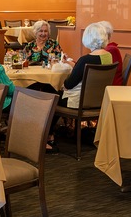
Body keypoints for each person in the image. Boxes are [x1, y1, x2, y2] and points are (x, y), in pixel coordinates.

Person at [47, 23, 113, 153]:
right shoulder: (108, 56)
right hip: (98, 100)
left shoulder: (85, 60)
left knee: (51, 97)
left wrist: (63, 85)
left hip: (79, 102)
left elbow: (69, 84)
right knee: (57, 96)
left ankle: (48, 135)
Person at [98, 20, 124, 85]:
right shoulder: (111, 48)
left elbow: (93, 68)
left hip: (110, 85)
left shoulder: (110, 50)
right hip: (109, 82)